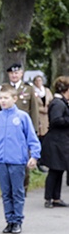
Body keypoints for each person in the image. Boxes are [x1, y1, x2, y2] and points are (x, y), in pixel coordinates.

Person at [0, 86, 41, 234]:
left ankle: (18, 220)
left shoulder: (22, 116)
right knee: (6, 192)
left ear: (15, 99)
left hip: (17, 160)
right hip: (2, 160)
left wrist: (34, 155)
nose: (3, 101)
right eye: (1, 98)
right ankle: (9, 221)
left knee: (17, 192)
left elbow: (32, 138)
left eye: (6, 98)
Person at [41, 77, 69, 208]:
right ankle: (49, 197)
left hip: (60, 142)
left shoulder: (62, 102)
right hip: (55, 142)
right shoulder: (58, 104)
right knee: (54, 170)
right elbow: (56, 120)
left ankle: (56, 198)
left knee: (59, 170)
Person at [0, 63, 40, 135]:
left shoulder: (29, 88)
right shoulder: (3, 88)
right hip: (7, 125)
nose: (14, 75)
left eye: (16, 73)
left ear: (21, 74)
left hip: (23, 126)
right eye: (11, 73)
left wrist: (35, 128)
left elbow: (34, 109)